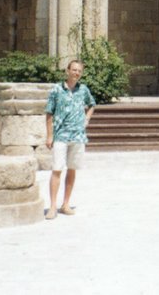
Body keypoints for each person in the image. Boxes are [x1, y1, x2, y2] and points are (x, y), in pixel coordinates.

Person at [44, 60, 96, 220]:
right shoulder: (57, 89)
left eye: (79, 70)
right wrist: (49, 135)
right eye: (74, 70)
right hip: (61, 135)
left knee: (72, 169)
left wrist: (86, 119)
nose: (76, 73)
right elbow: (49, 113)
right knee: (57, 169)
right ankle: (52, 207)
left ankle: (65, 204)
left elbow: (92, 104)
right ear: (67, 71)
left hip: (78, 136)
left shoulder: (83, 89)